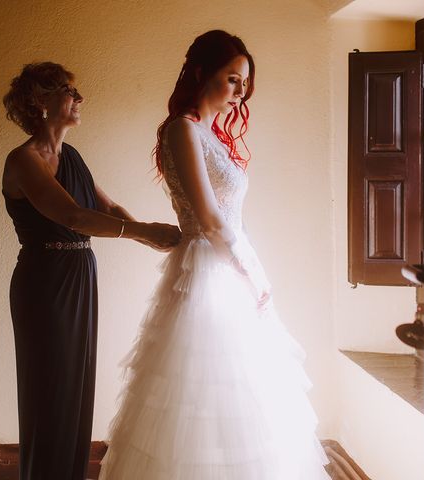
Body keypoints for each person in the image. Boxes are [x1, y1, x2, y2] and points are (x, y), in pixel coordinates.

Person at [98, 31, 330, 479]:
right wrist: (249, 272)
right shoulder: (183, 129)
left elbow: (228, 219)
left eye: (244, 82)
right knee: (204, 393)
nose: (240, 91)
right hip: (209, 269)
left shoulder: (207, 132)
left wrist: (250, 269)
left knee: (245, 393)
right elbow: (208, 217)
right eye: (232, 79)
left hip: (229, 262)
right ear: (201, 72)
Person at [1, 62, 181, 480]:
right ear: (39, 101)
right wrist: (142, 231)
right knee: (50, 386)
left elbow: (108, 208)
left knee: (77, 385)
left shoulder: (73, 156)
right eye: (68, 90)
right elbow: (74, 216)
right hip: (44, 281)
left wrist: (148, 235)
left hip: (81, 274)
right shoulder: (24, 160)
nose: (79, 98)